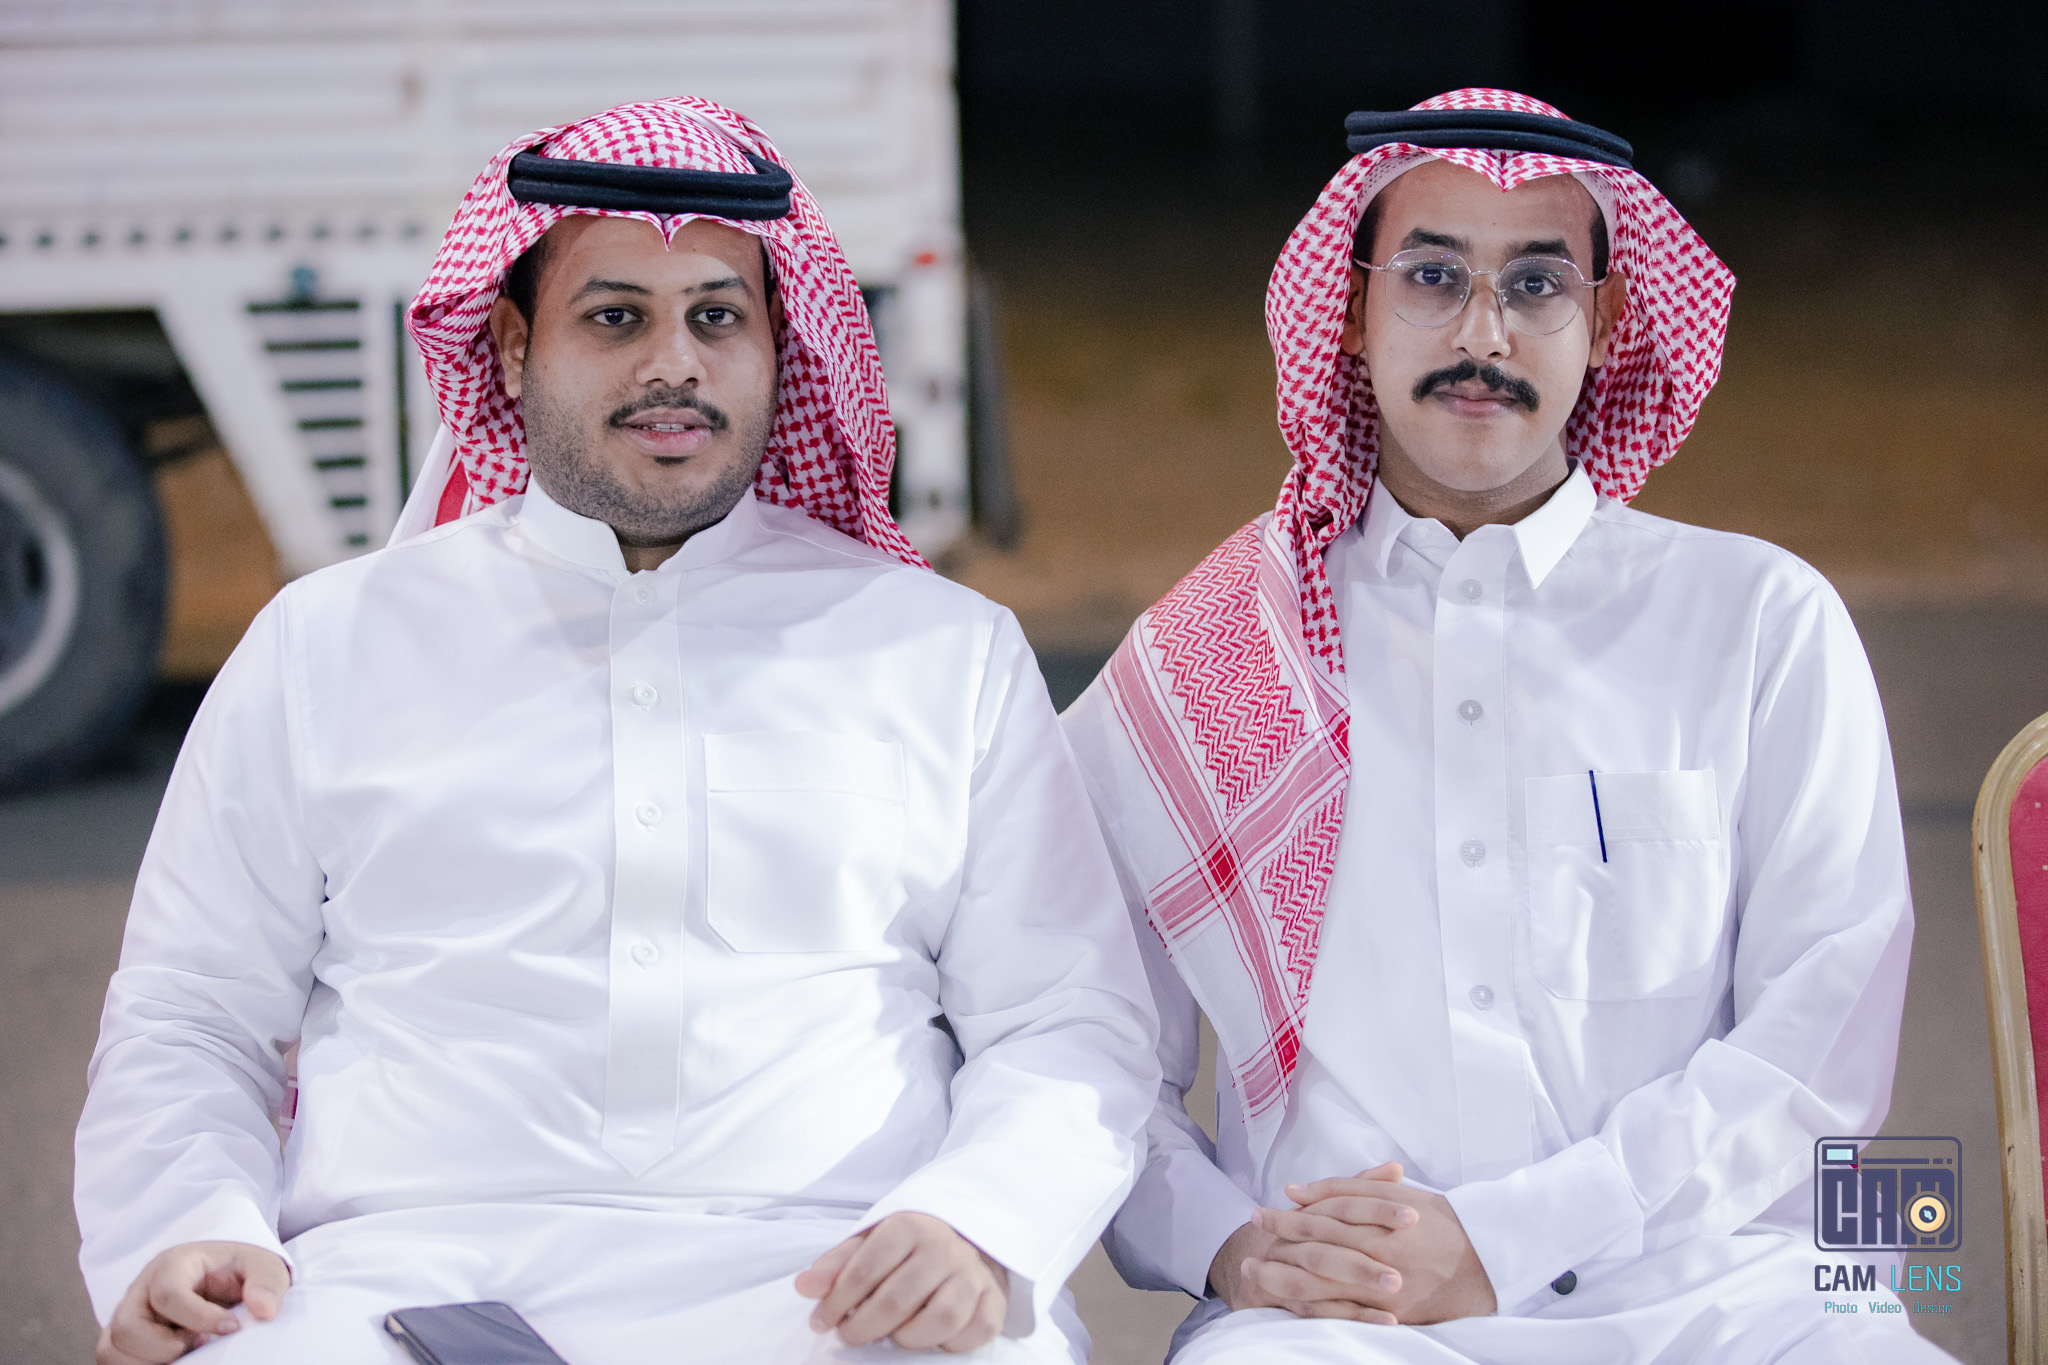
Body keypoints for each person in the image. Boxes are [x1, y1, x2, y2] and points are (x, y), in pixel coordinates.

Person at [75, 97, 1158, 1365]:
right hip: (394, 1284)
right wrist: (187, 1227)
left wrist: (976, 1219)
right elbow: (190, 1014)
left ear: (778, 344)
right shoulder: (327, 646)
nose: (673, 364)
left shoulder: (939, 650)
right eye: (614, 317)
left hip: (831, 1278)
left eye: (717, 316)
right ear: (511, 345)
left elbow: (1062, 1019)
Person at [1062, 88, 1954, 1363]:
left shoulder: (1756, 622)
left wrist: (1508, 1241)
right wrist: (1230, 1246)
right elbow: (1083, 1050)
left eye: (1536, 285)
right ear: (1349, 311)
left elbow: (1819, 1040)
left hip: (1714, 1298)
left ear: (1607, 324)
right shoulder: (1214, 656)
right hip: (1347, 1324)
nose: (1481, 333)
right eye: (1431, 277)